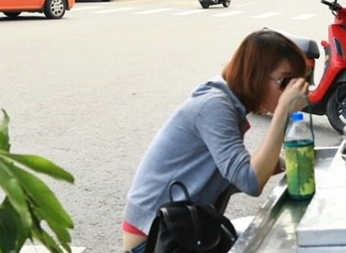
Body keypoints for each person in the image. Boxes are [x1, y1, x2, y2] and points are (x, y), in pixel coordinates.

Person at [121, 29, 309, 252]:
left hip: (185, 229)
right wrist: (283, 112)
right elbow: (250, 181)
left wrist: (288, 160)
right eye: (285, 81)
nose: (290, 91)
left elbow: (233, 174)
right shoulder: (214, 106)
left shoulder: (228, 106)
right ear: (255, 75)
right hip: (156, 240)